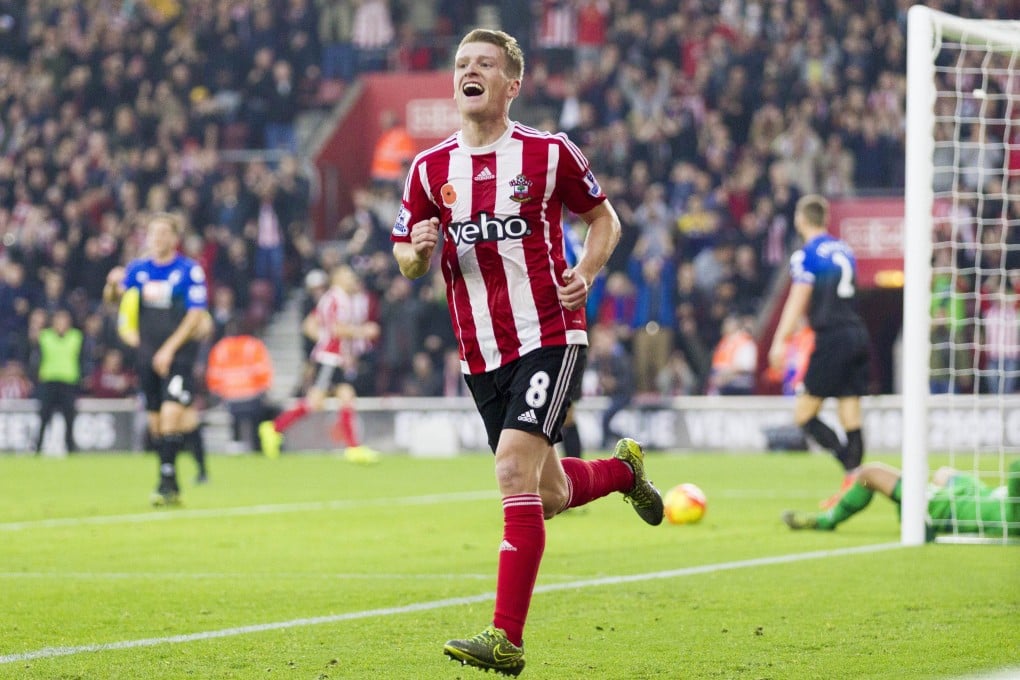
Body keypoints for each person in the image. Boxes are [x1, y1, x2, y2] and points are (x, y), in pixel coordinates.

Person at [391, 28, 664, 677]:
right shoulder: (430, 169)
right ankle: (624, 474)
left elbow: (606, 220)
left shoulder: (548, 153)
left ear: (512, 84)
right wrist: (418, 254)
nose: (469, 71)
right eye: (462, 63)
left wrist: (588, 273)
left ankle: (506, 639)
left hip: (550, 331)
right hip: (478, 351)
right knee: (544, 493)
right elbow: (404, 255)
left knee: (512, 470)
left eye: (484, 63)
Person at [768, 194, 871, 507]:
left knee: (804, 416)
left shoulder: (806, 255)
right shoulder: (844, 249)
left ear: (801, 219)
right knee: (850, 413)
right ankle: (854, 482)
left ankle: (854, 473)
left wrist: (779, 341)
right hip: (856, 333)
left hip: (832, 339)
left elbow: (798, 298)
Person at [104, 212, 210, 505]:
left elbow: (196, 314)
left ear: (175, 238)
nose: (158, 238)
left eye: (164, 233)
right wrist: (112, 286)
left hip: (179, 355)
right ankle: (173, 484)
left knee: (171, 416)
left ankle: (164, 484)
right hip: (147, 354)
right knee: (156, 425)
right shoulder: (138, 269)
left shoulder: (189, 270)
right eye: (154, 233)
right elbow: (115, 301)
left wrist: (170, 349)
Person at [257, 264, 380, 462]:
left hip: (333, 358)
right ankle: (273, 428)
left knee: (346, 396)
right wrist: (363, 331)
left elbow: (309, 325)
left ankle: (354, 448)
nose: (352, 280)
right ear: (337, 277)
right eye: (348, 276)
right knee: (315, 402)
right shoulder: (337, 300)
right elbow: (337, 329)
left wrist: (323, 340)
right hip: (330, 359)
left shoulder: (331, 298)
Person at [782, 460, 1020, 537]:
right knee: (944, 473)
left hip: (942, 508)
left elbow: (1016, 467)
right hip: (972, 493)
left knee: (868, 474)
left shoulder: (1014, 515)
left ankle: (826, 521)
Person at [34, 309, 82, 454]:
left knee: (69, 417)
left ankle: (70, 448)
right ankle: (38, 447)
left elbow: (82, 358)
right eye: (58, 321)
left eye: (64, 321)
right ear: (53, 322)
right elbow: (36, 358)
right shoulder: (44, 336)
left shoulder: (76, 337)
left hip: (68, 381)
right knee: (44, 416)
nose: (61, 324)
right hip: (49, 381)